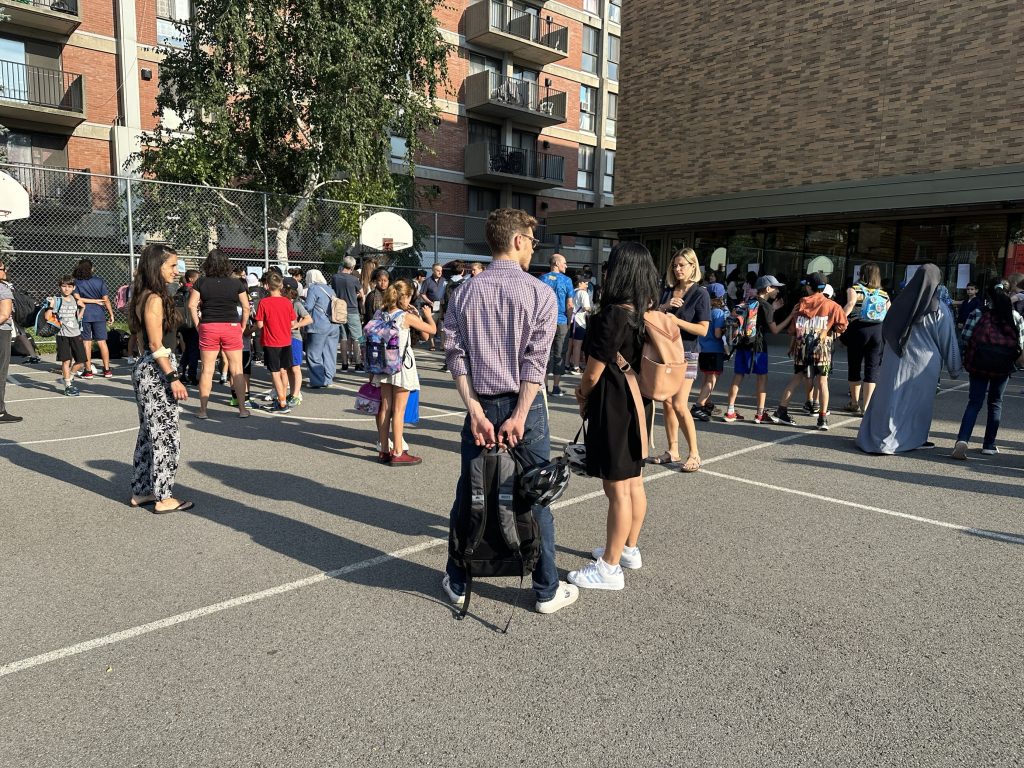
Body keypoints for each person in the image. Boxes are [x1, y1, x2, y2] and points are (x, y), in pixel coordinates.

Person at [442, 208, 578, 615]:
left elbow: (456, 358)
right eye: (532, 241)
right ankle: (545, 589)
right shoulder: (540, 293)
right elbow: (535, 363)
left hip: (479, 403)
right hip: (525, 404)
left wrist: (476, 412)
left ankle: (459, 578)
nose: (533, 248)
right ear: (518, 240)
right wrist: (519, 415)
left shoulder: (464, 292)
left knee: (471, 492)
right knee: (535, 494)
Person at [570, 242, 661, 590]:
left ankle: (608, 567)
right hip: (639, 404)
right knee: (634, 481)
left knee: (617, 487)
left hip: (614, 406)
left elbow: (592, 373)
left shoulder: (613, 314)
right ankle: (627, 548)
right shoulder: (646, 312)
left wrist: (582, 396)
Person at [856, 264, 961, 454]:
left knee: (887, 400)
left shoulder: (900, 303)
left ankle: (878, 437)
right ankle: (913, 439)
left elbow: (887, 329)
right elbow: (949, 341)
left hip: (895, 359)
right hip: (923, 366)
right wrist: (955, 368)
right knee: (917, 405)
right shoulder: (938, 309)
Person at [128, 244, 192, 513]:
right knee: (166, 435)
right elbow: (155, 344)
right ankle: (164, 496)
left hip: (150, 368)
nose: (177, 271)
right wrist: (173, 377)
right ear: (157, 267)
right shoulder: (153, 298)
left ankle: (142, 491)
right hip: (157, 369)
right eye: (172, 266)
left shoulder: (146, 295)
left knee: (148, 433)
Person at [651, 248, 709, 471]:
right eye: (675, 265)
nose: (677, 269)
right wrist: (665, 307)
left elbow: (703, 330)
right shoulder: (668, 291)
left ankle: (694, 453)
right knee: (666, 402)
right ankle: (672, 450)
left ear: (693, 267)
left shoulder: (700, 293)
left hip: (687, 353)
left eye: (682, 265)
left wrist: (677, 321)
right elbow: (655, 314)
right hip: (665, 352)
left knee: (679, 404)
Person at [952, 281, 1024, 459]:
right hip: (1002, 368)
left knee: (974, 402)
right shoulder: (1015, 317)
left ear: (988, 298)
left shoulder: (978, 313)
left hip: (979, 365)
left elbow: (966, 338)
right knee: (995, 403)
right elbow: (1021, 346)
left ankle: (962, 439)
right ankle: (989, 444)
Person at [369, 279, 435, 465]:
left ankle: (383, 449)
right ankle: (398, 451)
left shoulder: (380, 313)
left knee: (385, 408)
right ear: (404, 297)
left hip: (382, 365)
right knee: (398, 410)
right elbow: (431, 331)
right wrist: (426, 315)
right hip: (401, 365)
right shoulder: (406, 316)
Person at [771, 272, 848, 430]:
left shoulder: (800, 305)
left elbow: (793, 329)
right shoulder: (833, 306)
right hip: (822, 348)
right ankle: (822, 419)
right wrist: (829, 331)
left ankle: (781, 410)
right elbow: (842, 326)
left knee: (796, 379)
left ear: (808, 286)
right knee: (823, 382)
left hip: (802, 347)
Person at [188, 249, 251, 418]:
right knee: (236, 368)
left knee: (207, 369)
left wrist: (197, 325)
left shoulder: (201, 282)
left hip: (209, 326)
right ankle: (242, 410)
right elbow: (246, 307)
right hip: (231, 326)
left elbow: (191, 305)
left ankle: (203, 410)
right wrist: (242, 325)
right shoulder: (236, 283)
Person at [723, 276, 791, 423]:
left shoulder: (749, 301)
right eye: (775, 287)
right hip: (758, 346)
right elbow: (774, 329)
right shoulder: (766, 306)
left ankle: (730, 411)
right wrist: (790, 316)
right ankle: (760, 414)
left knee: (738, 376)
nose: (777, 290)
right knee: (762, 378)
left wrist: (773, 308)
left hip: (743, 343)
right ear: (767, 288)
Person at [841, 262, 890, 415]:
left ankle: (854, 403)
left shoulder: (854, 289)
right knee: (872, 368)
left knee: (854, 365)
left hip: (858, 330)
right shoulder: (883, 294)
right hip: (877, 330)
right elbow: (890, 313)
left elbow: (850, 305)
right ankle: (866, 406)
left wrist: (838, 321)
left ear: (861, 274)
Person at [255, 272, 298, 414]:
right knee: (284, 371)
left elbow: (260, 324)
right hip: (286, 340)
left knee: (274, 372)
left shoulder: (264, 302)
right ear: (280, 285)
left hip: (271, 341)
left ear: (267, 286)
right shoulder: (287, 302)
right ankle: (282, 398)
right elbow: (293, 322)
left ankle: (282, 402)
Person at [72, 259, 115, 379]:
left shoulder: (77, 282)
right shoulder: (99, 281)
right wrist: (111, 313)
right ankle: (107, 369)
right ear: (91, 268)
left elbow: (78, 299)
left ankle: (88, 370)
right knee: (102, 342)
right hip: (99, 313)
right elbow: (105, 299)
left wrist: (91, 301)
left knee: (87, 342)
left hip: (84, 313)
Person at [539, 253, 575, 396]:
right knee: (560, 353)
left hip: (545, 321)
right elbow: (570, 303)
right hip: (561, 321)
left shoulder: (542, 279)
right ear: (556, 264)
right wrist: (569, 322)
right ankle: (556, 387)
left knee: (544, 353)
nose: (566, 265)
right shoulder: (566, 281)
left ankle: (544, 387)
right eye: (564, 263)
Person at [692, 282, 728, 420]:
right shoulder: (718, 312)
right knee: (711, 379)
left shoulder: (704, 310)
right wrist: (727, 328)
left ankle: (707, 403)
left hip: (703, 349)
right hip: (715, 349)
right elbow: (718, 334)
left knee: (707, 378)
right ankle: (698, 405)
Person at [47, 276, 87, 396]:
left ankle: (70, 376)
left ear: (73, 287)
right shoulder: (56, 300)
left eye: (69, 286)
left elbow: (78, 318)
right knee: (66, 361)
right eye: (64, 286)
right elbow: (47, 317)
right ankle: (67, 385)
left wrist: (83, 307)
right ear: (60, 287)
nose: (66, 289)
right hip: (62, 334)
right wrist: (50, 306)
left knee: (81, 361)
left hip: (76, 333)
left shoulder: (75, 299)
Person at [303, 269, 341, 388]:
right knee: (330, 352)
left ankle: (317, 380)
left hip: (318, 325)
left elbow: (308, 306)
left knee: (313, 353)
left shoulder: (313, 288)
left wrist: (299, 304)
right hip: (334, 325)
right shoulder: (330, 289)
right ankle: (328, 379)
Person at [332, 256, 364, 371]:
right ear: (352, 267)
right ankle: (358, 363)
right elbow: (361, 294)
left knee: (343, 338)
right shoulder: (354, 279)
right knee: (357, 337)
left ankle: (344, 363)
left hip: (340, 310)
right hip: (352, 309)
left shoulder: (335, 277)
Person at [0, 259, 22, 423]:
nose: (5, 270)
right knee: (1, 371)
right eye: (2, 268)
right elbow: (4, 315)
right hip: (2, 332)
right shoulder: (3, 288)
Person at [176, 270, 200, 385]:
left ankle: (181, 371)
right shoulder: (194, 291)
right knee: (194, 350)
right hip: (192, 324)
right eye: (197, 278)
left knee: (187, 349)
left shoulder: (179, 291)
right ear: (191, 279)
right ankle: (192, 375)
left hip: (181, 324)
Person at [567, 273, 592, 373]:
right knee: (577, 345)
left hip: (570, 320)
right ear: (580, 283)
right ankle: (576, 367)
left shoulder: (572, 292)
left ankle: (566, 364)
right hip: (579, 321)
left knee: (569, 344)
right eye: (585, 283)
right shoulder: (583, 293)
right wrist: (592, 310)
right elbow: (586, 307)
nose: (587, 285)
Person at [421, 263, 446, 351]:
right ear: (433, 270)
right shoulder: (427, 281)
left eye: (441, 271)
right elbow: (422, 294)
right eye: (438, 271)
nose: (440, 272)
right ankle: (432, 344)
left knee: (442, 327)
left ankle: (442, 345)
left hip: (442, 306)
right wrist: (429, 302)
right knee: (432, 325)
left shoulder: (444, 280)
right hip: (431, 307)